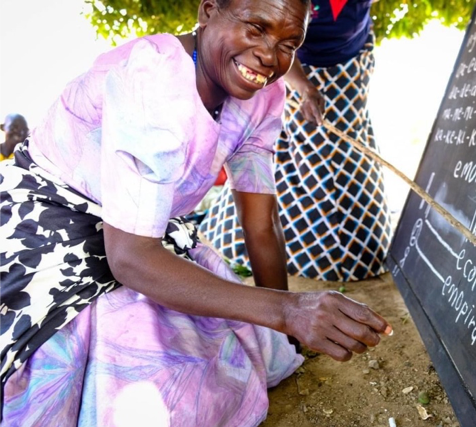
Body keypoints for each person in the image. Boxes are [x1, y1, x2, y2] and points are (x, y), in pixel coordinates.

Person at [0, 0, 392, 425]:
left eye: (289, 44)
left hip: (143, 238)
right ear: (208, 12)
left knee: (224, 362)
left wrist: (284, 332)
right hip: (53, 233)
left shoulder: (265, 98)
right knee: (148, 392)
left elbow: (260, 223)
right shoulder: (152, 75)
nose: (269, 55)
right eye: (256, 27)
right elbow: (129, 257)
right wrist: (286, 310)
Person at [199, 0, 392, 282]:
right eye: (256, 29)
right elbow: (274, 44)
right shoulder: (274, 51)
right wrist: (304, 88)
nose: (265, 54)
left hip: (350, 75)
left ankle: (357, 253)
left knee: (350, 161)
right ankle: (297, 254)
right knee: (303, 163)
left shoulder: (357, 11)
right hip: (296, 73)